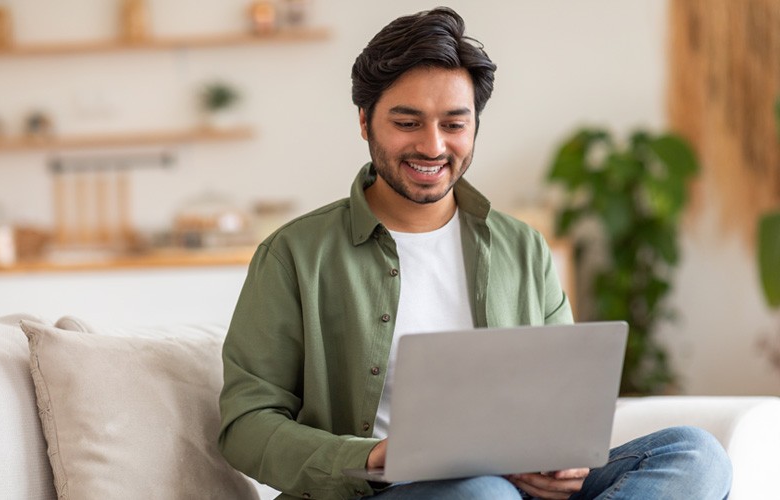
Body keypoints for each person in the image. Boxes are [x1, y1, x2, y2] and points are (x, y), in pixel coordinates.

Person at [218, 7, 732, 500]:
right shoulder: (295, 255)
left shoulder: (523, 247)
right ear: (364, 121)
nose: (433, 146)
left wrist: (566, 459)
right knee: (482, 492)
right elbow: (246, 425)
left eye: (454, 124)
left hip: (518, 487)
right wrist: (372, 455)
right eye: (407, 122)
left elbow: (563, 404)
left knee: (697, 455)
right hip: (385, 492)